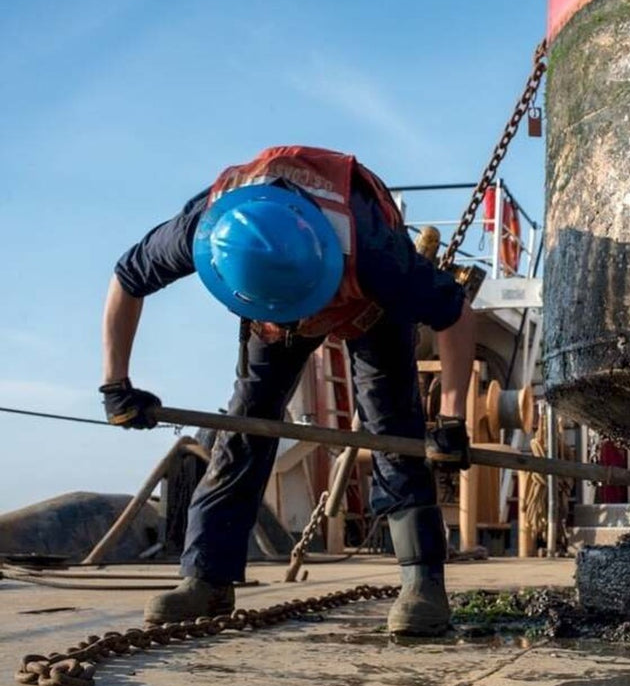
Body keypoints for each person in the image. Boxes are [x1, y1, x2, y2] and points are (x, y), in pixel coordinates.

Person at [100, 145, 474, 636]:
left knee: (391, 427)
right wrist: (116, 384)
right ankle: (206, 578)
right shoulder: (206, 226)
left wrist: (451, 418)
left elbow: (456, 314)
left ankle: (423, 582)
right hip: (271, 310)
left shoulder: (376, 252)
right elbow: (127, 278)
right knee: (246, 424)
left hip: (367, 306)